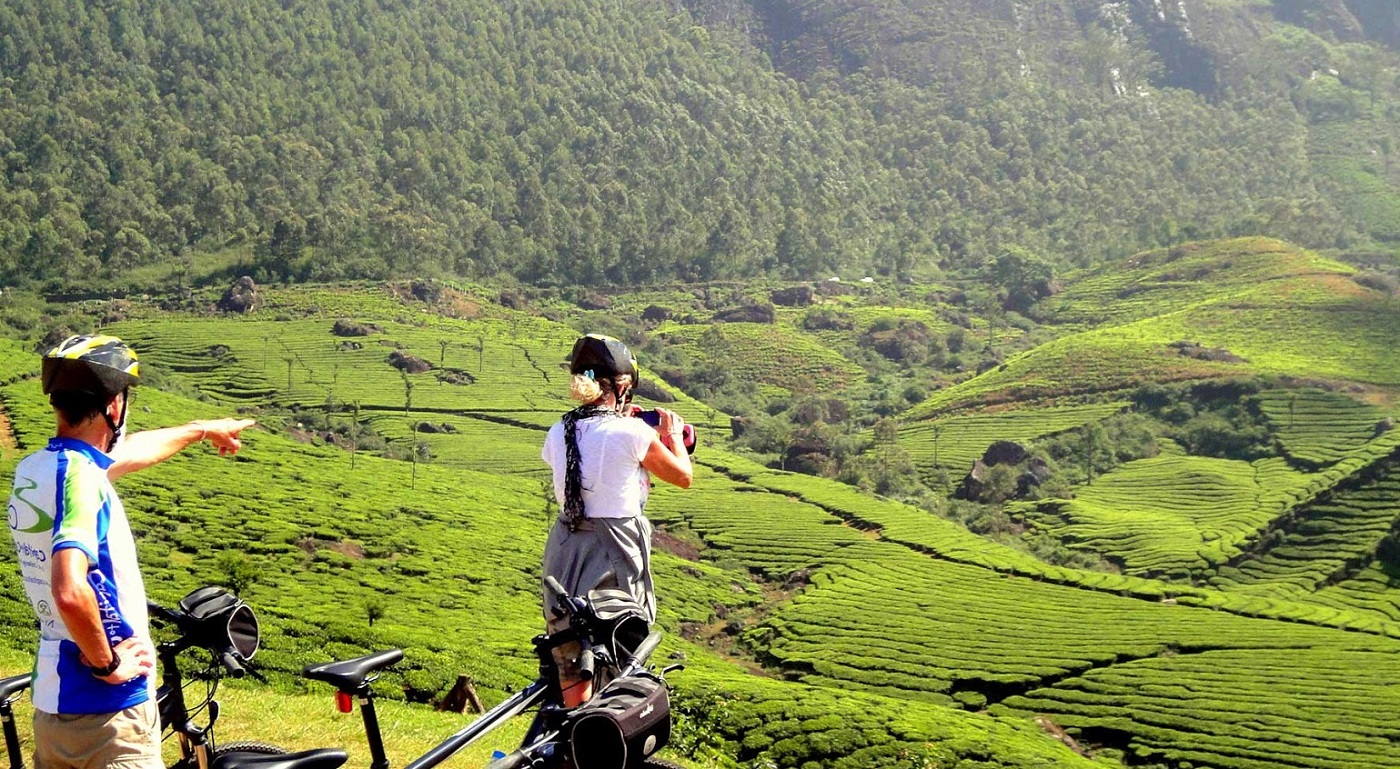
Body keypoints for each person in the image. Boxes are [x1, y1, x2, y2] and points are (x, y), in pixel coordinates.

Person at [6, 334, 255, 769]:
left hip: (54, 704)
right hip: (108, 714)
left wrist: (200, 430)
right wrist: (108, 665)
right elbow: (70, 590)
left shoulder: (38, 470)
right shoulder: (82, 481)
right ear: (114, 405)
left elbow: (127, 453)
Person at [540, 334, 692, 706]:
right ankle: (608, 722)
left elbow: (592, 457)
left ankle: (572, 723)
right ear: (622, 387)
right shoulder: (632, 431)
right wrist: (672, 435)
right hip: (615, 546)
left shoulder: (558, 431)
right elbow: (682, 476)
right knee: (620, 641)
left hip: (565, 546)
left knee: (571, 647)